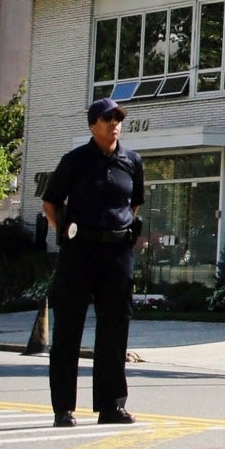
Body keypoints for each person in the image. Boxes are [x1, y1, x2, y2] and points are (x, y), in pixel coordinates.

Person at [41, 97, 145, 428]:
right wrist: (66, 234)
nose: (115, 123)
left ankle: (111, 405)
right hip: (79, 252)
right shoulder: (75, 161)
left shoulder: (132, 161)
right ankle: (63, 409)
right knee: (68, 330)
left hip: (116, 253)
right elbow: (50, 202)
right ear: (92, 125)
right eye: (107, 118)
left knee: (115, 330)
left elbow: (135, 204)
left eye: (118, 118)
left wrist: (122, 229)